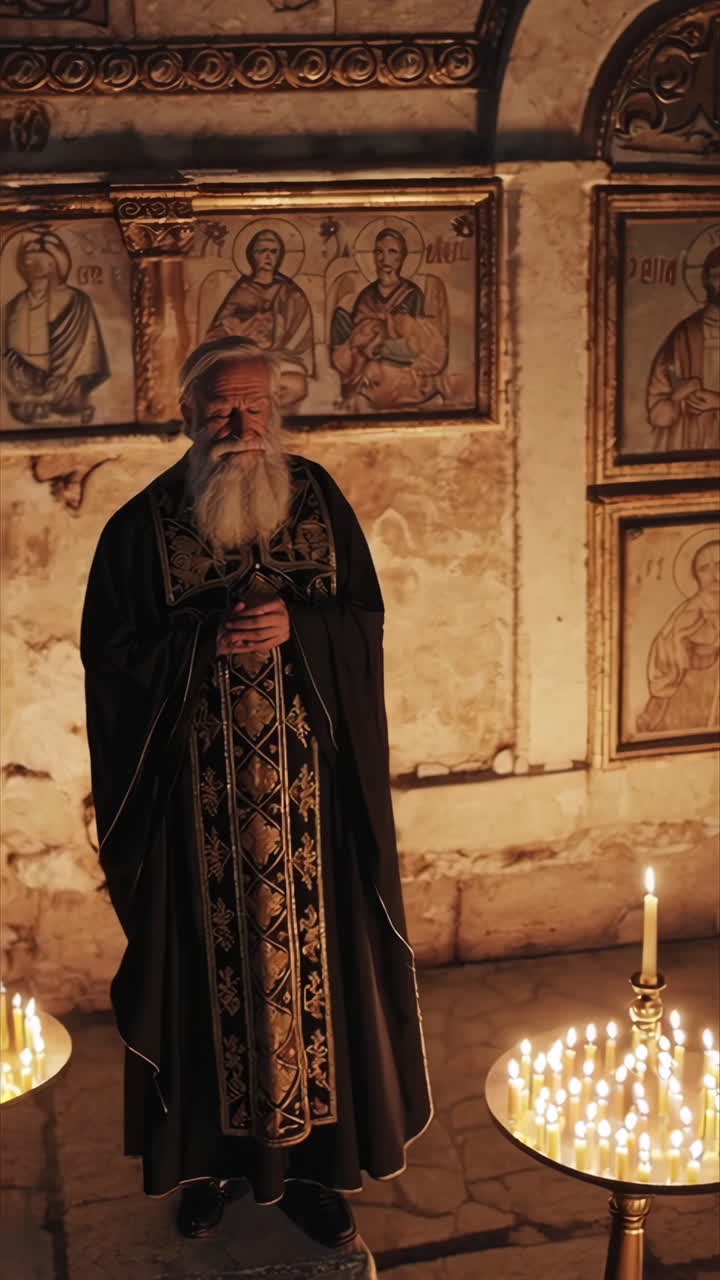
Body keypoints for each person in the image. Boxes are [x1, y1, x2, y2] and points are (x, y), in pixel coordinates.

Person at [81, 335, 433, 1247]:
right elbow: (110, 664)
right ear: (186, 415)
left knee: (322, 994)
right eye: (220, 410)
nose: (240, 427)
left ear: (278, 411)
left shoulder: (319, 501)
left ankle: (315, 1175)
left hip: (313, 820)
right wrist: (199, 644)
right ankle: (212, 1166)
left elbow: (366, 623)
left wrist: (302, 626)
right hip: (197, 829)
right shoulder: (140, 527)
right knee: (206, 992)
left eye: (254, 407)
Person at [330, 227, 447, 412]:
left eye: (392, 252)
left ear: (402, 257)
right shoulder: (367, 295)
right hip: (369, 360)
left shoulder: (412, 293)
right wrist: (370, 333)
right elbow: (360, 331)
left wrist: (388, 333)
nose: (385, 259)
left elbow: (415, 337)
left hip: (400, 363)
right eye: (379, 252)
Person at [3, 227, 109, 426]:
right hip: (26, 382)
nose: (33, 267)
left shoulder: (78, 301)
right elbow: (11, 354)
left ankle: (62, 407)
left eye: (41, 262)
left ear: (55, 265)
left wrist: (64, 376)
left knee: (67, 396)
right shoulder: (16, 305)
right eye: (28, 262)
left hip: (67, 382)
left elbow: (86, 350)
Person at [208, 228, 314, 411]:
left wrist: (278, 327)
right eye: (261, 251)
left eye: (273, 252)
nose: (267, 257)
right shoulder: (242, 290)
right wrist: (246, 325)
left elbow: (301, 334)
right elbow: (217, 332)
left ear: (280, 256)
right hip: (245, 358)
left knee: (297, 386)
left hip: (279, 359)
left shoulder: (290, 292)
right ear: (251, 255)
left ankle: (259, 410)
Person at [637, 538, 719, 735]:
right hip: (693, 689)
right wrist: (682, 640)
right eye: (704, 569)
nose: (715, 576)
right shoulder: (690, 611)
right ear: (695, 576)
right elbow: (666, 645)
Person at [646, 245, 720, 452]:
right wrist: (679, 395)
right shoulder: (683, 336)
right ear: (706, 281)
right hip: (694, 440)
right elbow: (657, 409)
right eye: (717, 276)